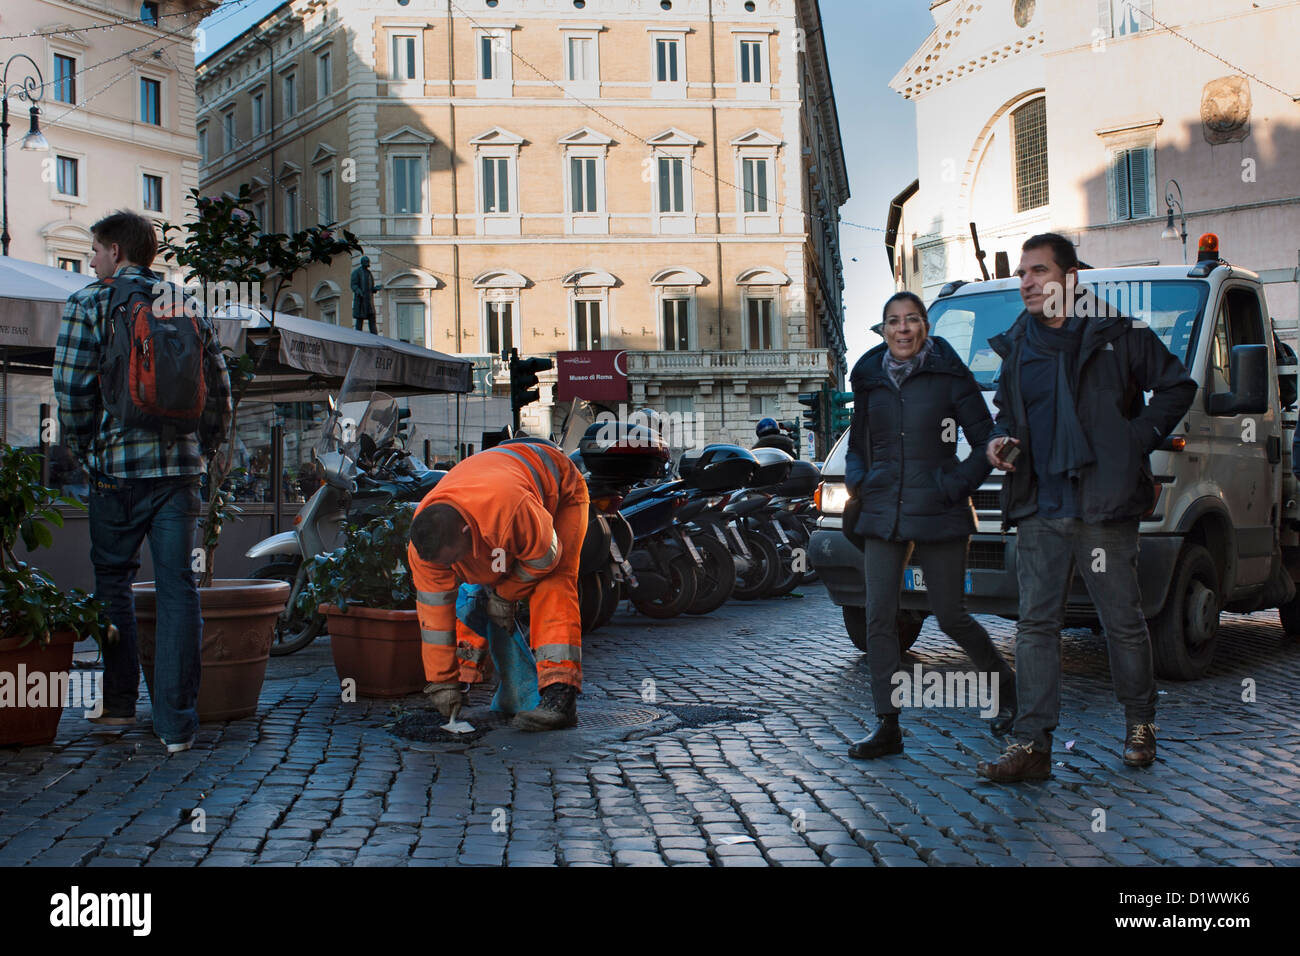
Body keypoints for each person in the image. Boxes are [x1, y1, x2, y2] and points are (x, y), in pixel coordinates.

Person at [976, 233, 1195, 782]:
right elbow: (1006, 413)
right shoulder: (1017, 344)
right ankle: (1032, 744)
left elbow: (1176, 387)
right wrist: (999, 441)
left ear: (1069, 279)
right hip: (1041, 503)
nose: (1026, 281)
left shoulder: (1118, 333)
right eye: (1023, 272)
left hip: (1103, 504)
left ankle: (1140, 725)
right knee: (1035, 626)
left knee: (1121, 620)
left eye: (1038, 271)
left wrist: (1134, 439)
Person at [53, 210, 232, 754]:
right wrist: (203, 447)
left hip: (115, 471)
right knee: (178, 588)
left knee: (113, 586)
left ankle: (118, 707)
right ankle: (176, 726)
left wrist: (87, 451)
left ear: (115, 250)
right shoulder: (185, 304)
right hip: (179, 474)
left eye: (94, 250)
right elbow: (218, 386)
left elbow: (71, 390)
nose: (90, 260)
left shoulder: (89, 302)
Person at [842, 291, 1016, 759]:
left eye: (912, 320)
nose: (903, 329)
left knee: (950, 614)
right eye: (893, 321)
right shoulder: (870, 378)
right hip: (883, 511)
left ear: (926, 327)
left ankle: (1008, 691)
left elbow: (987, 440)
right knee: (879, 616)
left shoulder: (948, 375)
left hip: (940, 511)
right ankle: (887, 725)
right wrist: (860, 482)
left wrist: (954, 485)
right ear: (884, 330)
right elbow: (859, 443)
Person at [407, 437, 589, 731]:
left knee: (553, 586)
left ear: (467, 531)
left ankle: (560, 696)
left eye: (453, 559)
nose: (449, 568)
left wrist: (505, 596)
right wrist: (441, 682)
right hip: (500, 488)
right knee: (475, 590)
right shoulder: (426, 548)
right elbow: (434, 614)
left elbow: (546, 556)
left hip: (561, 492)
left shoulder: (508, 509)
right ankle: (463, 679)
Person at [351, 254, 376, 334]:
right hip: (361, 300)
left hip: (369, 300)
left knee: (372, 318)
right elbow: (353, 285)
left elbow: (371, 287)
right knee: (359, 320)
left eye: (368, 262)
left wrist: (375, 289)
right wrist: (358, 291)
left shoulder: (369, 273)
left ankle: (375, 336)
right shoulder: (356, 272)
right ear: (363, 263)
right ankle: (358, 337)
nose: (367, 264)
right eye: (366, 262)